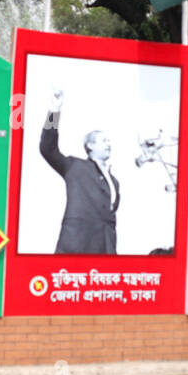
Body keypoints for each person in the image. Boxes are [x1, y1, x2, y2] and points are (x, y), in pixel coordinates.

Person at [39, 86, 119, 254]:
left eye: (109, 141)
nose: (109, 144)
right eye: (104, 141)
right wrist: (54, 111)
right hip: (77, 246)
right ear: (90, 145)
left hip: (105, 250)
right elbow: (48, 148)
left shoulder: (115, 182)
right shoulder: (74, 166)